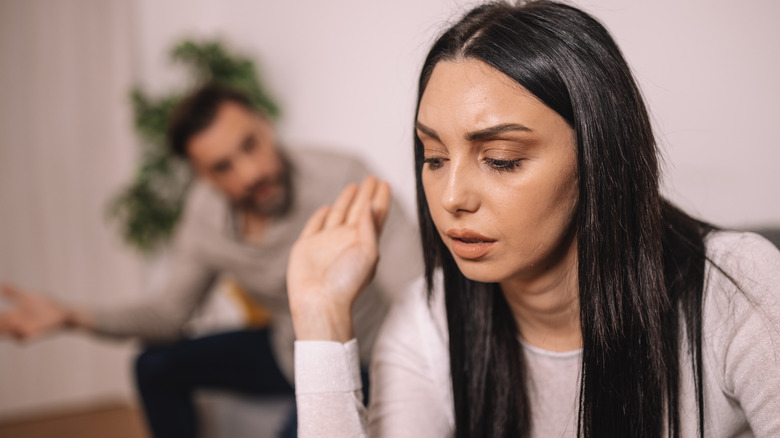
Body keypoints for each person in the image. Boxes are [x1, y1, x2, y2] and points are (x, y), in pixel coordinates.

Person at [287, 1, 780, 437]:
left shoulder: (736, 290)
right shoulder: (429, 323)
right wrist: (320, 322)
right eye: (434, 157)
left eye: (501, 159)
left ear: (598, 157)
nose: (452, 197)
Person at [0, 84, 422, 437]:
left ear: (265, 124)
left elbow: (417, 290)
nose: (249, 173)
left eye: (250, 145)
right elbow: (168, 314)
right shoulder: (204, 218)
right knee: (155, 365)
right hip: (286, 350)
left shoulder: (340, 175)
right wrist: (70, 316)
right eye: (223, 167)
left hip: (366, 356)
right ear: (204, 175)